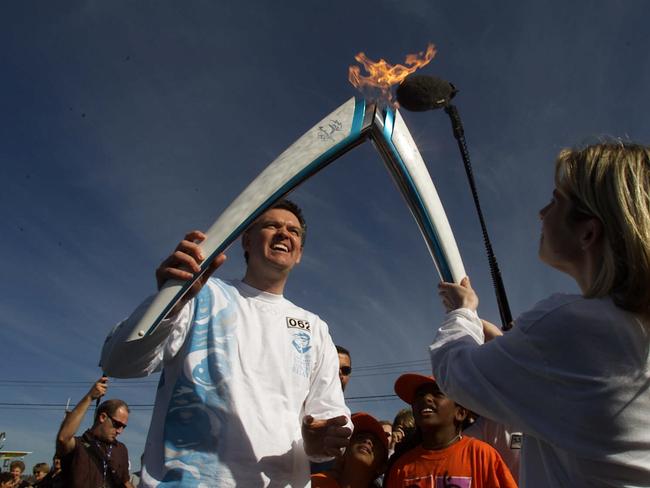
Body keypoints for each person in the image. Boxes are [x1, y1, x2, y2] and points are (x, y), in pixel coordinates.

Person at [434, 142, 650, 486]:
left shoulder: (570, 323)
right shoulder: (624, 331)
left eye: (555, 200)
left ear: (588, 232)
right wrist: (506, 343)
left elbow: (454, 373)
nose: (541, 212)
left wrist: (463, 311)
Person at [100, 199, 351, 487]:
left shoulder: (315, 328)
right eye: (272, 225)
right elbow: (118, 361)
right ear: (246, 240)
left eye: (293, 231)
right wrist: (169, 302)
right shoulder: (200, 294)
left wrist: (319, 440)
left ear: (300, 254)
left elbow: (328, 420)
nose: (284, 233)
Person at [383, 373, 517, 488]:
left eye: (438, 393)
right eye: (420, 395)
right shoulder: (401, 468)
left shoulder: (482, 456)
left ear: (461, 412)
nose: (426, 398)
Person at [55, 377, 133, 488]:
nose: (120, 431)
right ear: (102, 417)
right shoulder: (79, 445)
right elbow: (63, 438)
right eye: (117, 425)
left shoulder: (121, 449)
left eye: (123, 427)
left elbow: (125, 482)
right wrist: (89, 397)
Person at [312, 413, 388, 488]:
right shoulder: (313, 483)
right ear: (343, 450)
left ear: (382, 468)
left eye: (375, 442)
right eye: (360, 437)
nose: (367, 441)